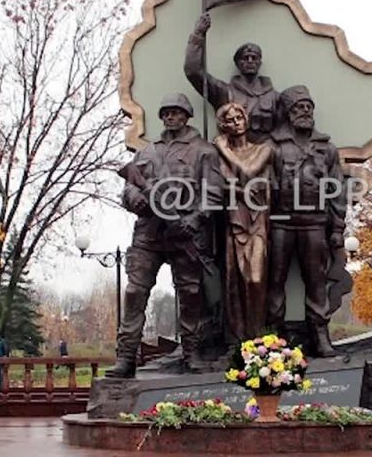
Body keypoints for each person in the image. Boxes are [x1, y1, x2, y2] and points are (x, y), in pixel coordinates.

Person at [109, 93, 223, 378]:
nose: (170, 117)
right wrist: (135, 199)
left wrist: (194, 220)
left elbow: (213, 193)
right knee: (134, 292)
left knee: (191, 295)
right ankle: (126, 357)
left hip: (185, 234)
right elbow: (130, 187)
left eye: (176, 112)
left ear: (186, 115)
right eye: (166, 113)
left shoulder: (203, 151)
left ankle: (191, 353)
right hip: (149, 233)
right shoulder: (147, 151)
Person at [267, 85, 346, 357]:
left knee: (316, 282)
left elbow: (337, 191)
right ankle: (273, 336)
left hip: (315, 223)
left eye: (308, 107)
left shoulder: (327, 149)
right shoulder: (274, 147)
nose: (304, 111)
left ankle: (320, 335)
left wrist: (337, 228)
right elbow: (263, 188)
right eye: (298, 107)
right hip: (280, 223)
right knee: (274, 281)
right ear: (288, 113)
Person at [214, 102, 273, 341]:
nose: (236, 123)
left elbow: (249, 173)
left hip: (257, 220)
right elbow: (220, 186)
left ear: (246, 120)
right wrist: (243, 189)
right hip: (233, 219)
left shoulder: (263, 149)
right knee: (234, 281)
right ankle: (241, 340)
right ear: (223, 126)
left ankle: (258, 338)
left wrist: (223, 150)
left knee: (255, 278)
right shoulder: (216, 159)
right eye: (229, 120)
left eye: (239, 117)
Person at [184, 13, 282, 142]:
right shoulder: (224, 92)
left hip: (266, 151)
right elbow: (193, 71)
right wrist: (198, 36)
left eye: (254, 58)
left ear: (259, 63)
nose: (250, 61)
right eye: (245, 58)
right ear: (237, 63)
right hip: (231, 151)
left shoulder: (274, 97)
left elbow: (283, 128)